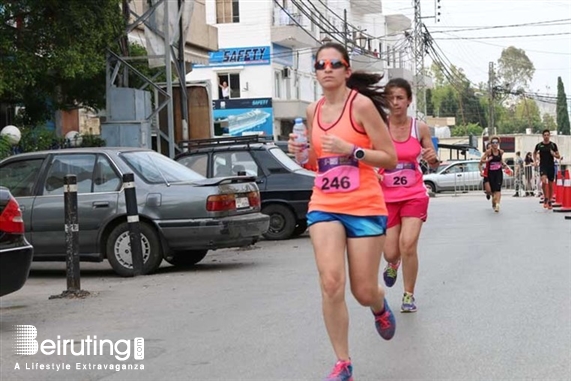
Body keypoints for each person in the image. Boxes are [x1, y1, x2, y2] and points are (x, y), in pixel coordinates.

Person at [288, 42, 398, 381]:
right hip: (324, 203)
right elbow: (317, 162)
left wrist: (355, 151)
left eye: (335, 63)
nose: (327, 69)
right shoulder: (312, 111)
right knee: (331, 282)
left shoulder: (361, 105)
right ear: (315, 72)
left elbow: (390, 157)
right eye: (320, 64)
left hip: (364, 205)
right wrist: (299, 153)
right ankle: (343, 362)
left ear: (347, 70)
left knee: (362, 291)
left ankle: (378, 305)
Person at [377, 78, 439, 314]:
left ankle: (408, 295)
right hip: (386, 196)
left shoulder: (419, 128)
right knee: (391, 251)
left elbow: (433, 160)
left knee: (408, 244)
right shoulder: (379, 126)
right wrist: (373, 171)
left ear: (409, 100)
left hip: (414, 193)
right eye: (391, 98)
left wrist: (432, 158)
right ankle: (393, 263)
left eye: (400, 97)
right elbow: (368, 156)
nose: (395, 102)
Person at [478, 136, 510, 212]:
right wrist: (487, 161)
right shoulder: (488, 152)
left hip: (498, 172)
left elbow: (500, 160)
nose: (495, 144)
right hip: (489, 173)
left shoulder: (501, 152)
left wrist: (505, 166)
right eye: (493, 142)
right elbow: (481, 161)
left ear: (498, 143)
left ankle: (497, 205)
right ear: (491, 144)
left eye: (496, 142)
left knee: (498, 189)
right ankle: (493, 197)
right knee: (489, 190)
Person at [534, 129, 561, 209]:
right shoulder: (539, 145)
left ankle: (550, 200)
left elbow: (558, 156)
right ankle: (545, 198)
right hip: (543, 165)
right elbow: (534, 152)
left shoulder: (553, 145)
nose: (546, 136)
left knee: (550, 184)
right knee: (543, 181)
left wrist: (554, 154)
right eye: (544, 135)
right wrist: (535, 161)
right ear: (542, 136)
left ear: (549, 136)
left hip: (551, 166)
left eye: (547, 135)